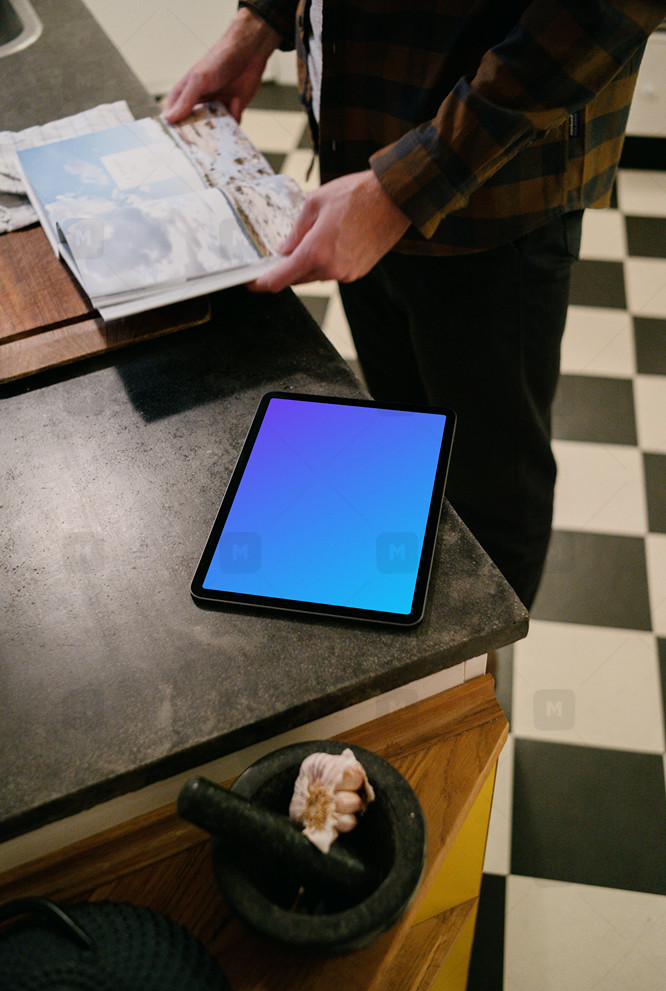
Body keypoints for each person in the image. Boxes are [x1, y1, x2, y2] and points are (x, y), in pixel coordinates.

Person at [164, 1, 665, 609]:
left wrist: (408, 184)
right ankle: (411, 640)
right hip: (355, 150)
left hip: (493, 194)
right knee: (402, 440)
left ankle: (470, 682)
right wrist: (259, 23)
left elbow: (601, 13)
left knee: (490, 490)